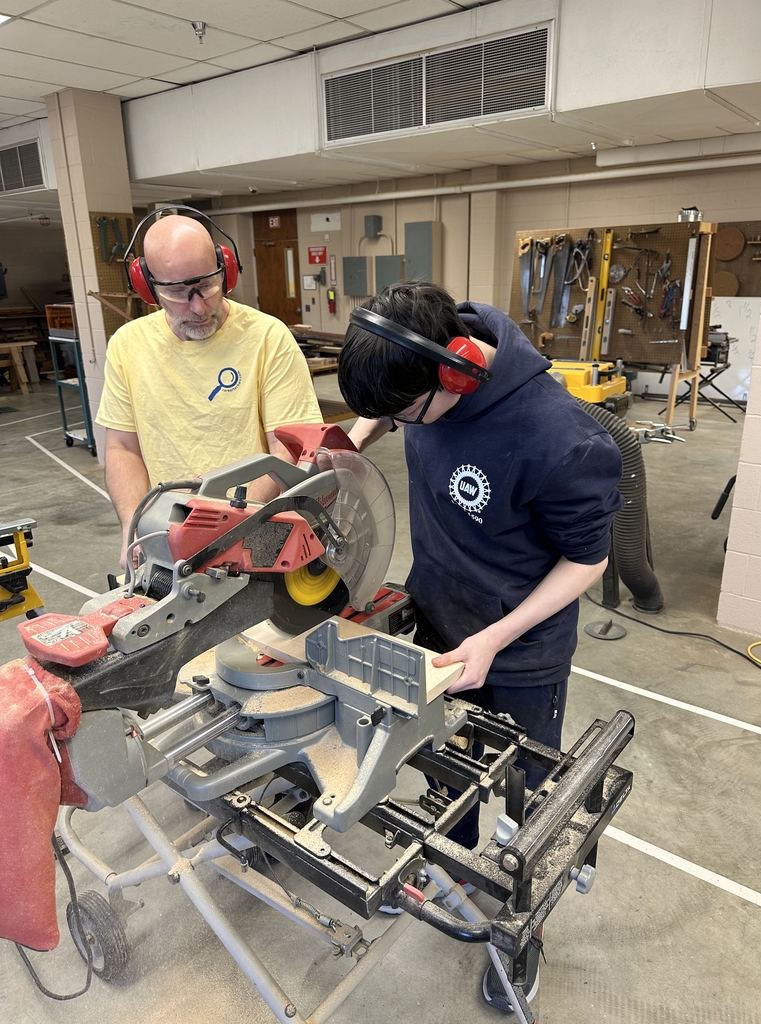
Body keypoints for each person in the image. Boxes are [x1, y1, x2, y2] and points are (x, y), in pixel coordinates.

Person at [338, 282, 623, 1008]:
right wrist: (355, 435)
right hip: (438, 615)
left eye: (403, 413)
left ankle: (521, 925)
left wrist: (494, 639)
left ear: (458, 371)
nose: (402, 423)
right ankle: (456, 871)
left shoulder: (561, 439)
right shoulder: (425, 371)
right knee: (445, 767)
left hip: (517, 649)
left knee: (529, 791)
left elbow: (587, 561)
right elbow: (396, 415)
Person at [95, 214, 322, 568]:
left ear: (226, 270)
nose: (199, 306)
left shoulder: (267, 338)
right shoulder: (127, 346)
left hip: (253, 531)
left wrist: (224, 534)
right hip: (165, 537)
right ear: (147, 287)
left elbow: (288, 449)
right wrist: (132, 527)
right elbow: (122, 448)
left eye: (208, 285)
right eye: (176, 293)